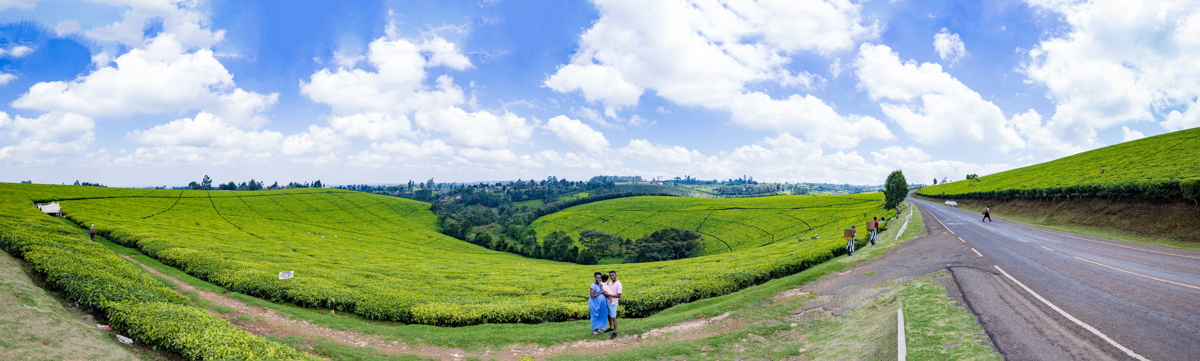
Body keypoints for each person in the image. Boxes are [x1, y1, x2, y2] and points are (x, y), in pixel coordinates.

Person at [604, 271, 623, 339]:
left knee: (613, 317)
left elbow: (619, 295)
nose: (611, 277)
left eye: (612, 275)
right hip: (608, 301)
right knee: (609, 315)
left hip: (613, 303)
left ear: (616, 275)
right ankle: (611, 328)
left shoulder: (619, 284)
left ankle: (615, 332)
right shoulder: (610, 283)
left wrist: (609, 295)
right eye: (610, 276)